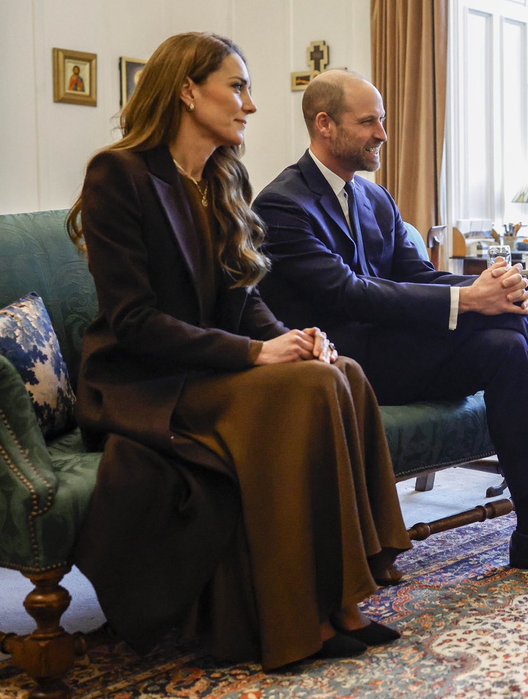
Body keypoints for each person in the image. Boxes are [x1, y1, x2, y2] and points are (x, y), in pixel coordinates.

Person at [253, 69, 528, 579]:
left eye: (385, 120)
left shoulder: (375, 198)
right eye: (369, 121)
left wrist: (488, 287)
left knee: (507, 340)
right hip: (347, 365)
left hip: (401, 351)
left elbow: (415, 275)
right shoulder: (283, 204)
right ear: (324, 125)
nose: (383, 134)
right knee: (500, 329)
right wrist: (468, 299)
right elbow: (348, 293)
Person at [67, 33, 409, 669]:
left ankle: (344, 601)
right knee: (307, 386)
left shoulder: (223, 175)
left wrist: (290, 337)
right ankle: (297, 622)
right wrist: (255, 357)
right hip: (145, 381)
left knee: (341, 371)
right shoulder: (120, 174)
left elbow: (243, 295)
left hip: (207, 369)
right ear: (188, 91)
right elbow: (136, 322)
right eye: (238, 86)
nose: (250, 105)